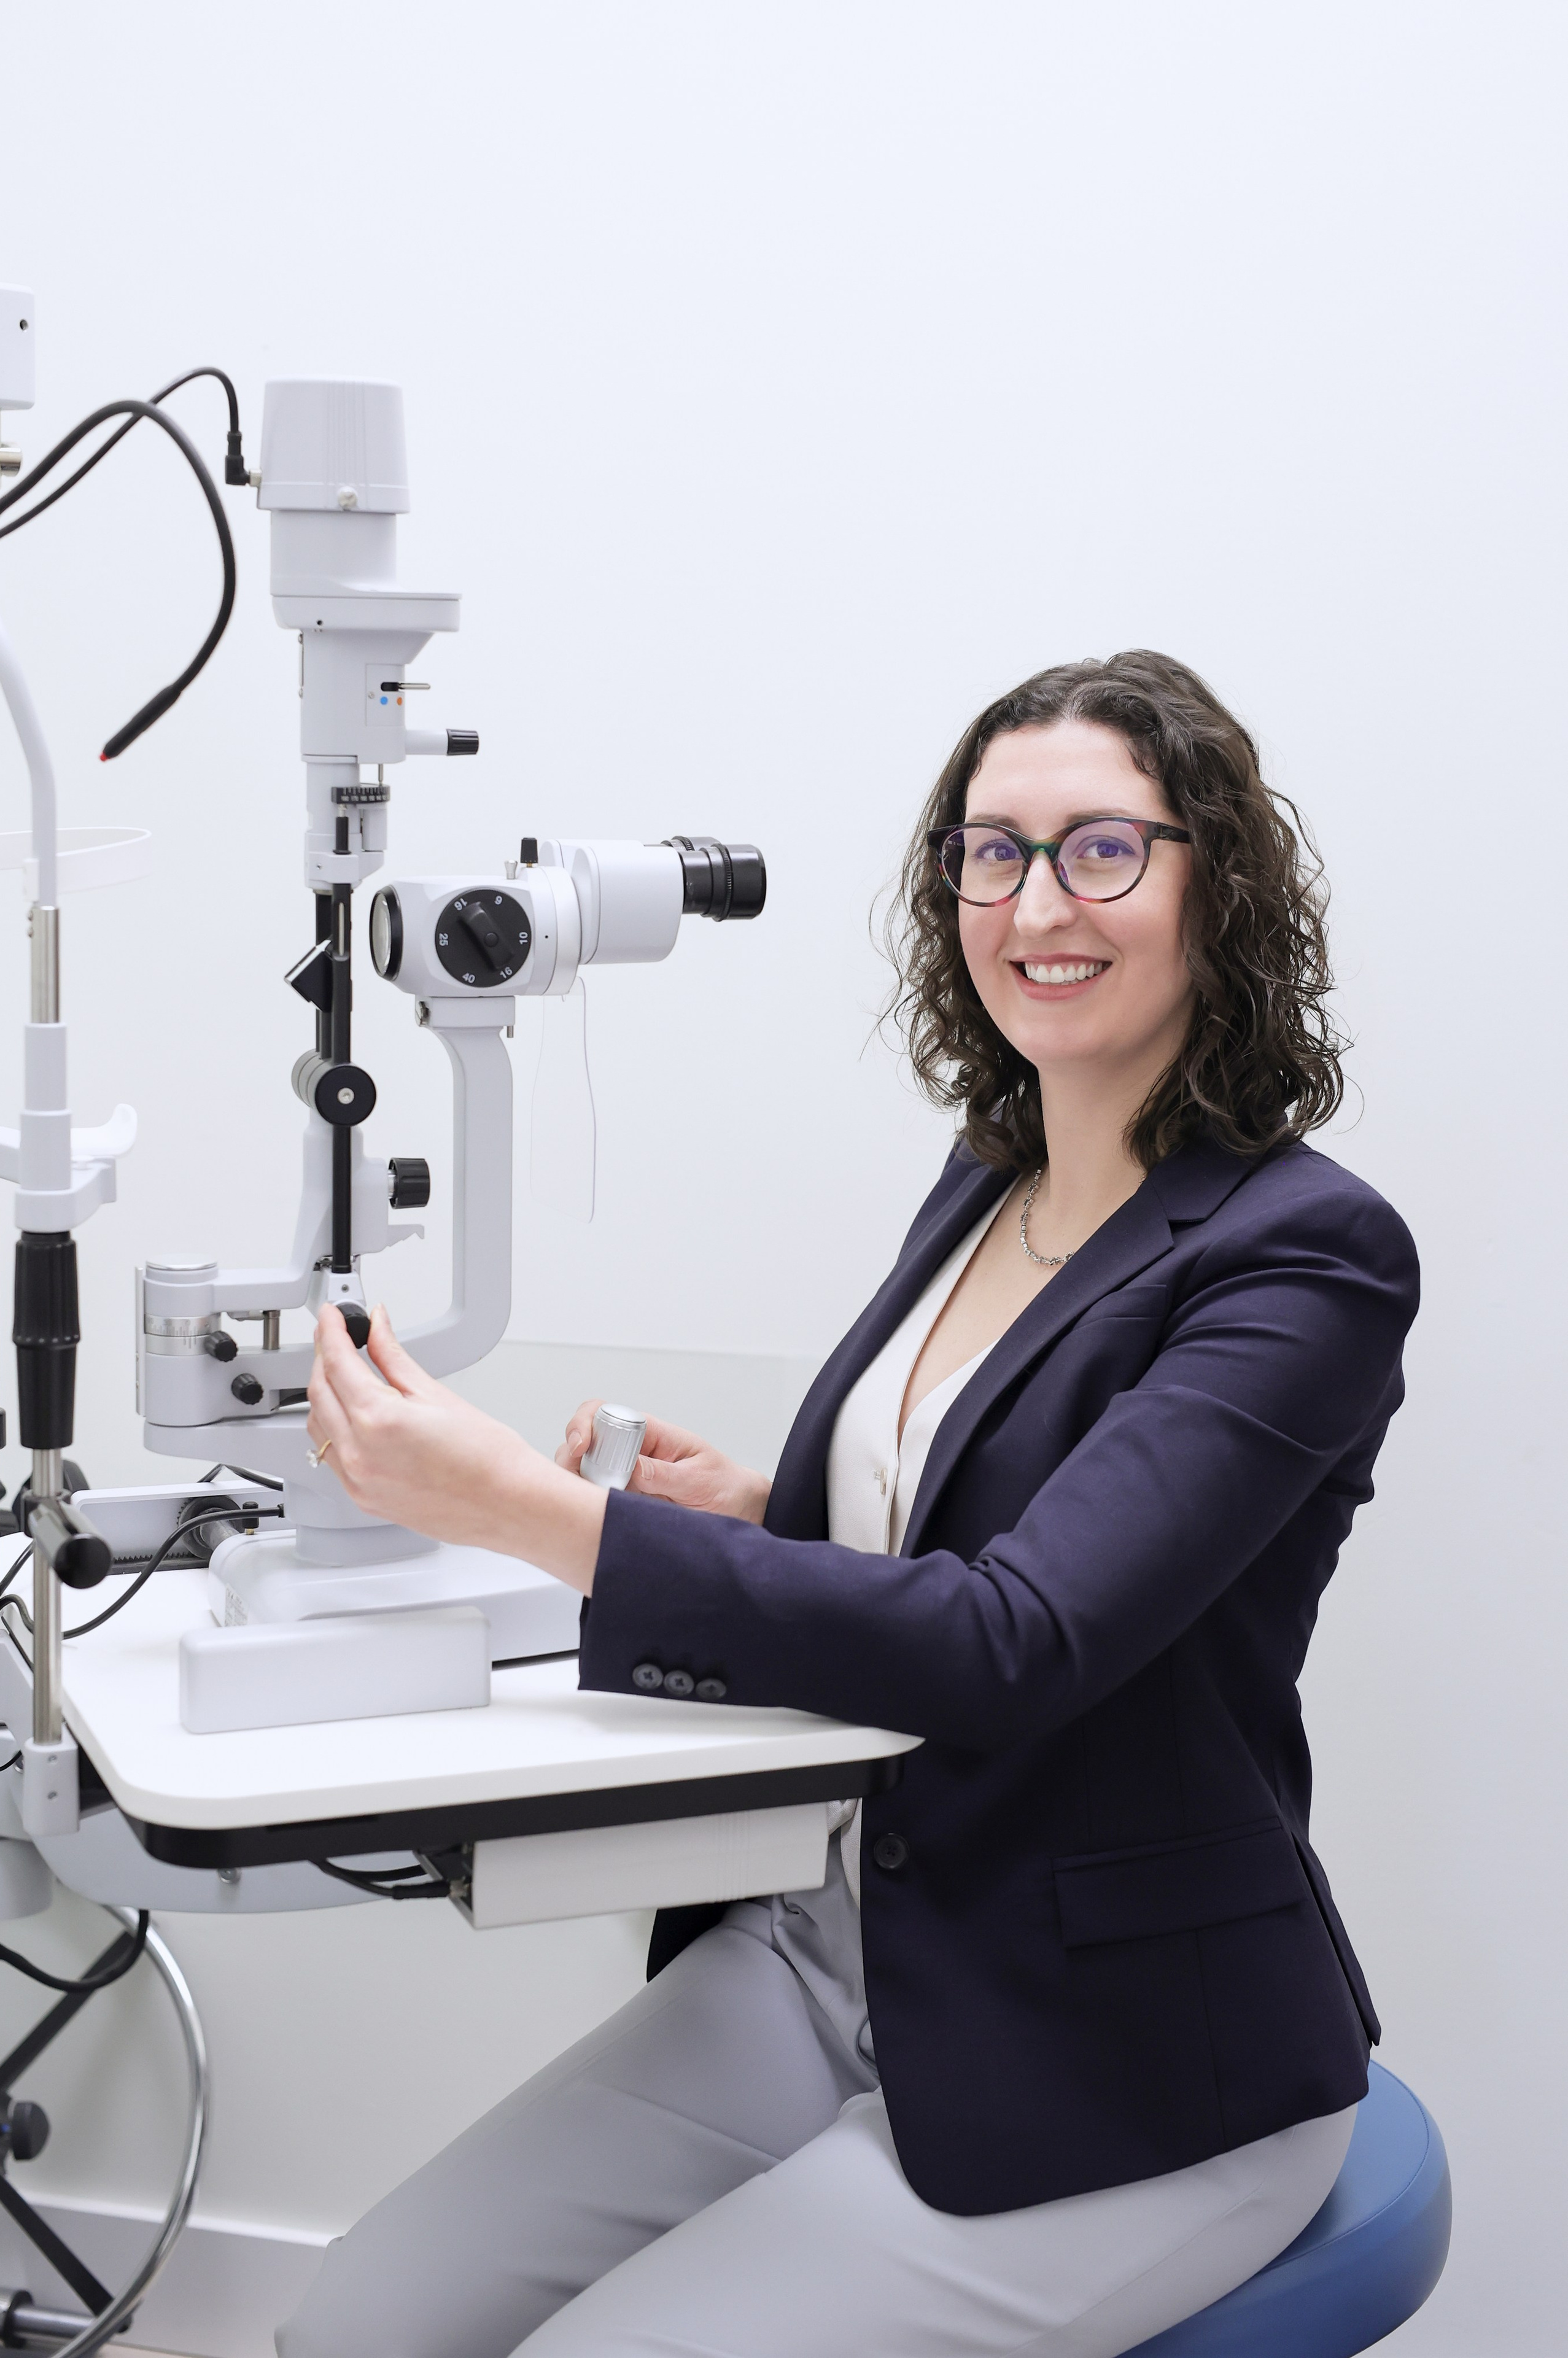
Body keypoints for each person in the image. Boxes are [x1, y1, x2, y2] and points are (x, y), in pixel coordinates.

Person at [282, 651, 1419, 2358]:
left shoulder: (1304, 1258)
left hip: (1121, 2046)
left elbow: (1020, 1638)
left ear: (1217, 882)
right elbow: (978, 1524)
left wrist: (540, 1515)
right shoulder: (992, 1177)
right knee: (357, 2322)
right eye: (994, 850)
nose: (1039, 900)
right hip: (843, 1950)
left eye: (1103, 848)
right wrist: (764, 1504)